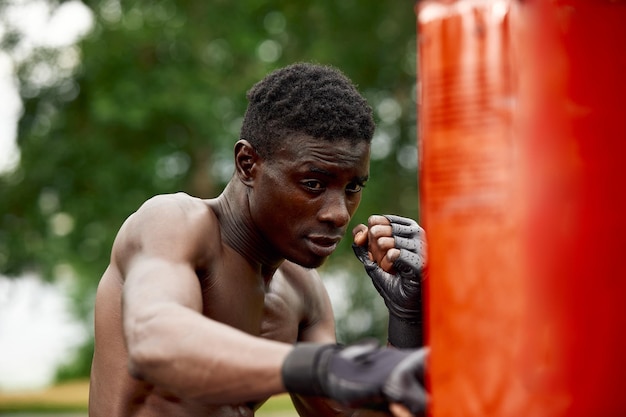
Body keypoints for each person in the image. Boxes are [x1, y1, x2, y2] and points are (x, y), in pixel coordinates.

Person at [88, 62, 428, 417]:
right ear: (248, 163)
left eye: (353, 187)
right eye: (313, 184)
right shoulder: (174, 223)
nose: (339, 213)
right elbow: (154, 341)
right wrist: (322, 367)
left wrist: (407, 322)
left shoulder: (302, 289)